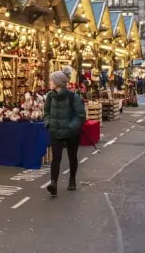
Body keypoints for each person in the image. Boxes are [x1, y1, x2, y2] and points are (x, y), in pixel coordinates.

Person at [44, 66, 86, 196]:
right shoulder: (50, 96)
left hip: (71, 134)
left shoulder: (73, 97)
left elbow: (80, 115)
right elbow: (46, 112)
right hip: (56, 132)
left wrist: (70, 127)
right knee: (56, 158)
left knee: (72, 157)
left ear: (58, 83)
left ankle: (72, 179)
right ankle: (53, 184)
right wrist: (48, 123)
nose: (49, 83)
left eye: (51, 81)